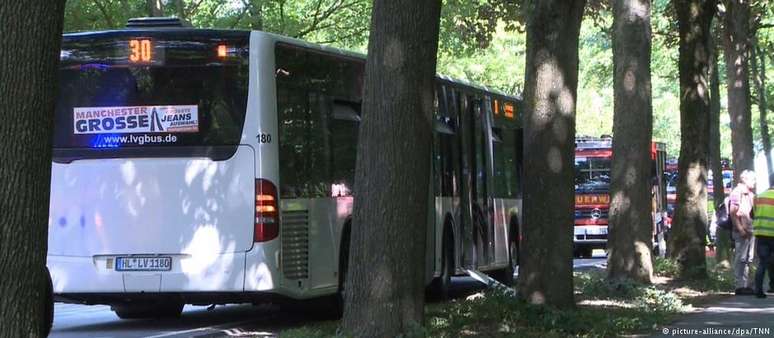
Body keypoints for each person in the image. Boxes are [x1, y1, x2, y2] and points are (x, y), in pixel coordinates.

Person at [729, 170, 756, 295]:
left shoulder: (750, 194)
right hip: (741, 231)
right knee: (740, 258)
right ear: (744, 179)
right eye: (752, 179)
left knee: (748, 259)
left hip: (750, 231)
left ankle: (746, 285)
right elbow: (733, 213)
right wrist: (740, 228)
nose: (754, 182)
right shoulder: (737, 193)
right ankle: (738, 285)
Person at [753, 173, 774, 298]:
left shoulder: (759, 197)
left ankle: (758, 290)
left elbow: (754, 214)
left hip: (761, 234)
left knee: (763, 263)